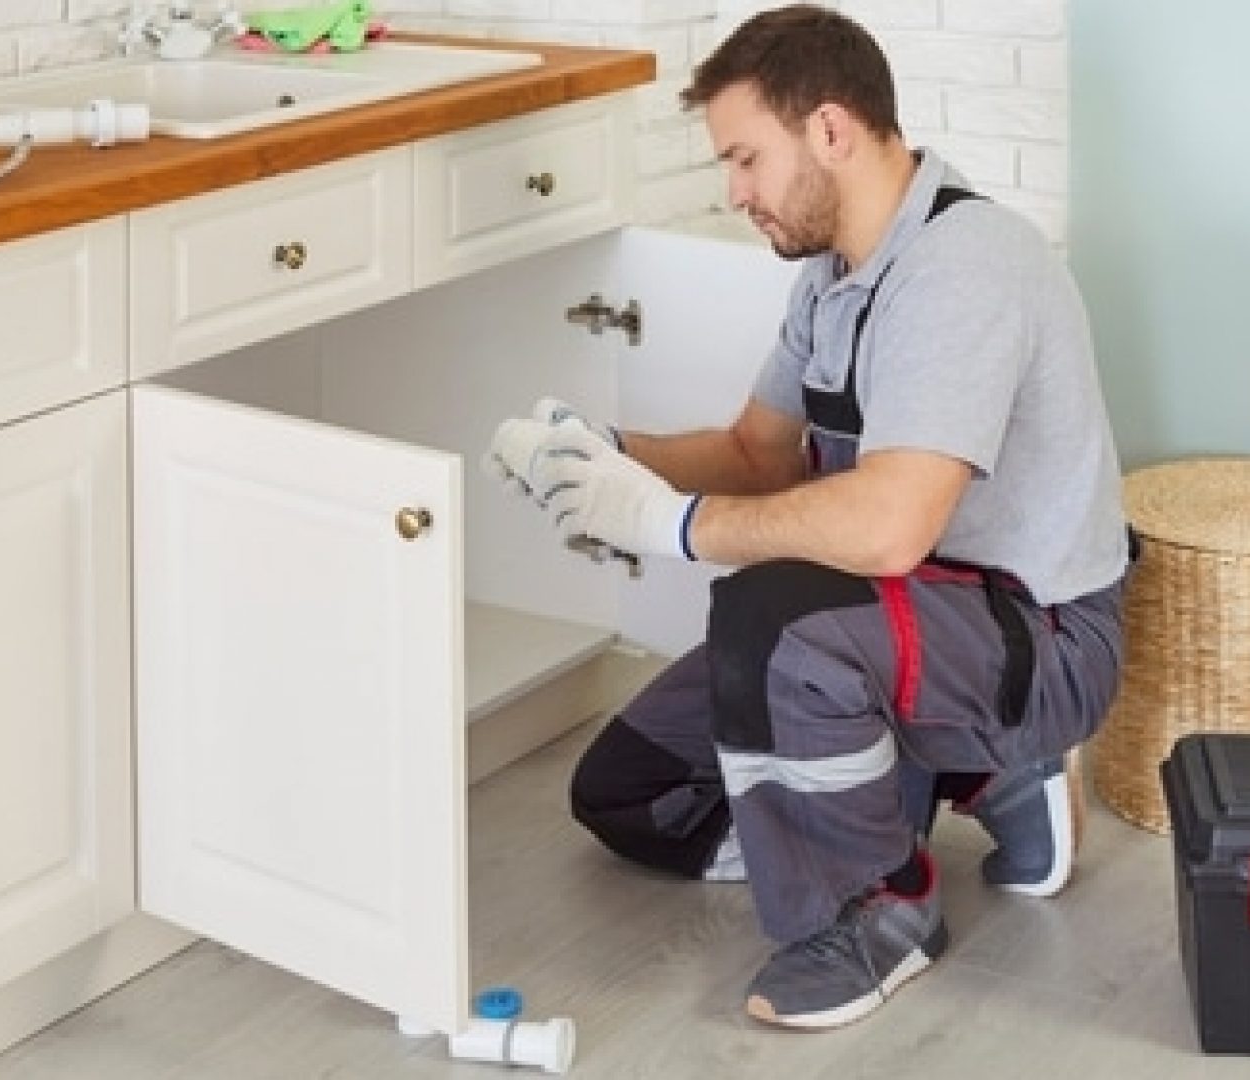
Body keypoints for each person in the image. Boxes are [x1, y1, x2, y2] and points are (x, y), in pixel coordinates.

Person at [485, 3, 1129, 1031]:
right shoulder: (833, 277)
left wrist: (664, 523)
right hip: (904, 613)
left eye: (745, 159)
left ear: (830, 130)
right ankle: (924, 781)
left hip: (1035, 637)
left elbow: (889, 528)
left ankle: (882, 905)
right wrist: (606, 454)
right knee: (631, 792)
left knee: (769, 618)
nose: (736, 192)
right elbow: (757, 454)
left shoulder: (968, 266)